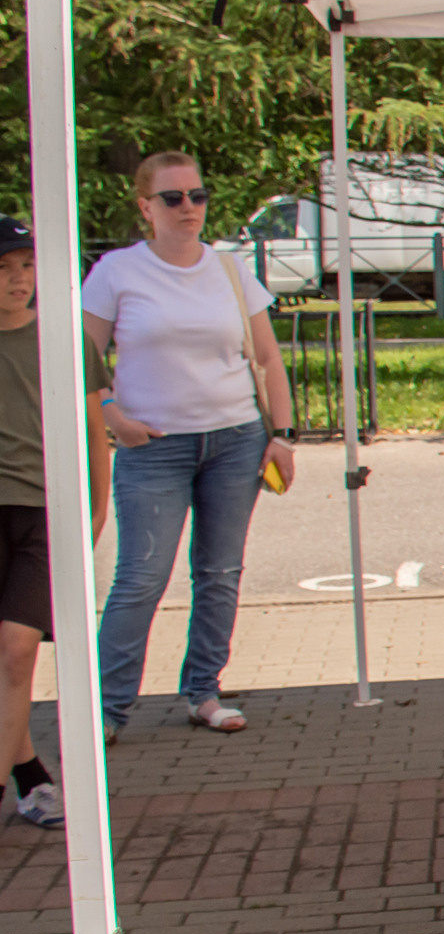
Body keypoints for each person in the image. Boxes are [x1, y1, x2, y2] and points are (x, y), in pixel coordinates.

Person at [82, 151, 296, 741]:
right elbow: (83, 355)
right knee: (141, 577)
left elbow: (269, 357)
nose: (188, 208)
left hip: (235, 440)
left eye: (197, 196)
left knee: (220, 572)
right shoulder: (116, 272)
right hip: (153, 444)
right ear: (145, 206)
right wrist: (111, 415)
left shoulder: (228, 270)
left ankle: (204, 691)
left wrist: (281, 434)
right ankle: (106, 707)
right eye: (173, 198)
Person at [0, 217, 112, 827]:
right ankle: (29, 775)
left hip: (45, 508)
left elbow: (96, 433)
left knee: (18, 649)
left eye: (26, 266)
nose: (19, 279)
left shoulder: (65, 340)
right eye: (3, 268)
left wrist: (94, 512)